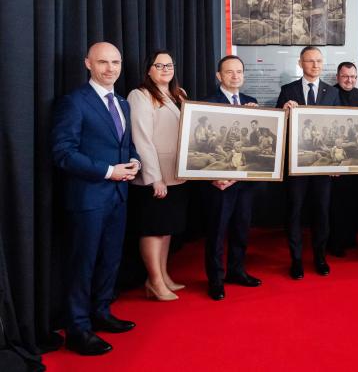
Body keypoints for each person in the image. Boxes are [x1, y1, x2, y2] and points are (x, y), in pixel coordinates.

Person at [52, 42, 141, 355]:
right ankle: (78, 329)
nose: (110, 68)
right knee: (83, 264)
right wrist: (108, 171)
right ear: (88, 63)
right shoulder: (74, 102)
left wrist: (134, 161)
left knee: (110, 259)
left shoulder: (122, 103)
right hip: (87, 199)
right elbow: (63, 153)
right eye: (103, 62)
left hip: (118, 196)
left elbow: (124, 145)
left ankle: (101, 312)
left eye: (115, 62)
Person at [128, 50, 189, 302]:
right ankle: (153, 281)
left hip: (177, 173)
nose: (165, 69)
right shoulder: (140, 95)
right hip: (156, 176)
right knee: (153, 229)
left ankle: (163, 276)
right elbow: (142, 139)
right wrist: (155, 177)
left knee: (166, 229)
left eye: (169, 65)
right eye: (159, 65)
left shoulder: (179, 94)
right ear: (148, 70)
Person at [276, 46, 340, 279]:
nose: (315, 65)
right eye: (310, 61)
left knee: (322, 211)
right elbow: (278, 125)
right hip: (296, 164)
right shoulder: (288, 90)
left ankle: (320, 257)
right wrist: (283, 111)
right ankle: (296, 259)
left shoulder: (332, 92)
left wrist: (336, 163)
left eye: (319, 61)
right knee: (294, 210)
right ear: (300, 63)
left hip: (323, 165)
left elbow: (336, 130)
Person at [202, 55, 262, 301]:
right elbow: (202, 146)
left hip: (245, 181)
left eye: (239, 71)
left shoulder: (251, 102)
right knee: (217, 232)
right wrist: (210, 177)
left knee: (241, 228)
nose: (235, 76)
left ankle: (237, 271)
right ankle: (215, 279)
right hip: (221, 182)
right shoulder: (208, 103)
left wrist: (259, 119)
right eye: (229, 72)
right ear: (219, 76)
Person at [328, 62, 358, 257]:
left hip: (357, 159)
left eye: (353, 77)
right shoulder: (329, 94)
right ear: (337, 77)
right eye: (345, 76)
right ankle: (336, 242)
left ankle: (351, 238)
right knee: (337, 202)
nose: (349, 80)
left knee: (354, 199)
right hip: (336, 159)